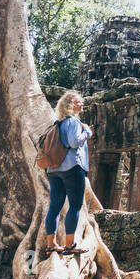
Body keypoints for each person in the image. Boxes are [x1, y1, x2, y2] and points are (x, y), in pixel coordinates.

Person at [44, 89, 92, 257]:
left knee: (55, 207)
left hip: (54, 169)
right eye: (79, 102)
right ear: (71, 104)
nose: (82, 104)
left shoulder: (58, 124)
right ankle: (70, 245)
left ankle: (51, 244)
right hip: (72, 168)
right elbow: (73, 142)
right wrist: (87, 132)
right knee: (75, 206)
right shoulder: (73, 122)